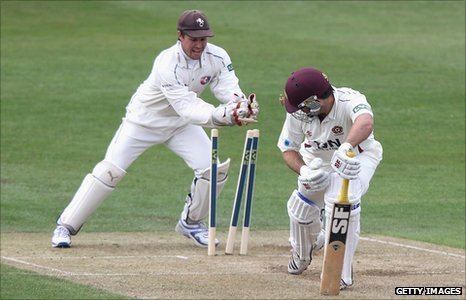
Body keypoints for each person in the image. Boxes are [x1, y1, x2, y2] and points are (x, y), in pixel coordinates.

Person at [52, 10, 259, 248]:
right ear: (180, 36)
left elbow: (227, 86)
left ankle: (191, 223)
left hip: (180, 126)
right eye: (194, 39)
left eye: (203, 39)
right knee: (110, 172)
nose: (200, 44)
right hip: (143, 122)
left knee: (214, 171)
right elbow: (187, 106)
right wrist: (220, 115)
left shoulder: (218, 56)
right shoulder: (167, 63)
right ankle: (65, 226)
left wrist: (240, 104)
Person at [277, 67, 382, 290]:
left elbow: (365, 122)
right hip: (317, 163)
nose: (299, 111)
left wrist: (346, 148)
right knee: (300, 208)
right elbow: (288, 150)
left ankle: (341, 272)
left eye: (303, 105)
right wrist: (304, 171)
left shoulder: (350, 99)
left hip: (357, 157)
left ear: (315, 100)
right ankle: (302, 253)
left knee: (341, 198)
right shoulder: (300, 113)